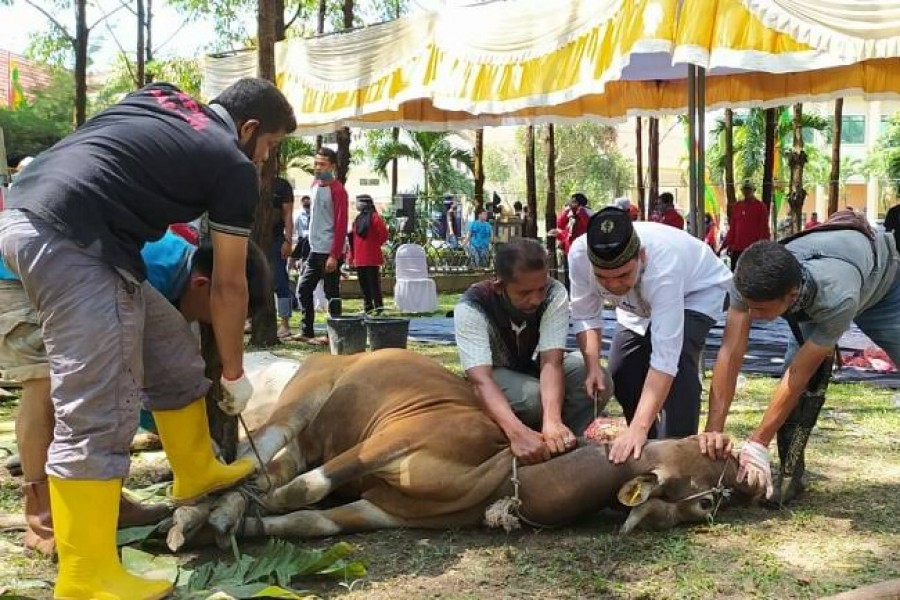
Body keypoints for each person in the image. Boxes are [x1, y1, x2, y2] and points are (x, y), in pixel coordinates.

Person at [0, 78, 295, 600]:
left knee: (171, 353)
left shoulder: (164, 96)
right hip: (70, 239)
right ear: (249, 129)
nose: (265, 159)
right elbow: (229, 285)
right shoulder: (231, 164)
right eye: (269, 145)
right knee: (99, 408)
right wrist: (234, 373)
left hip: (50, 222)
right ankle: (86, 575)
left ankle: (195, 470)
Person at [0, 231, 269, 555]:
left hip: (56, 271)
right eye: (218, 315)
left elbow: (154, 374)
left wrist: (190, 445)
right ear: (202, 285)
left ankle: (112, 501)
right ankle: (42, 520)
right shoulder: (151, 270)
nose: (213, 326)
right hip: (22, 278)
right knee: (45, 386)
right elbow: (131, 378)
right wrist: (179, 439)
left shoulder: (171, 272)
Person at [701, 209, 900, 505]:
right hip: (827, 284)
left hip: (884, 286)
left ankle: (777, 460)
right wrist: (713, 432)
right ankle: (792, 475)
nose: (752, 316)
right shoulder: (750, 282)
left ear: (791, 296)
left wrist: (757, 443)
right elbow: (730, 353)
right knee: (799, 387)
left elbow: (798, 376)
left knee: (802, 379)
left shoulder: (836, 297)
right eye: (749, 306)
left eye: (762, 311)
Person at [569, 207, 732, 464]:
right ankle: (646, 445)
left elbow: (665, 359)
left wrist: (637, 428)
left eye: (622, 274)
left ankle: (676, 453)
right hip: (636, 306)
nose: (613, 285)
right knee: (622, 371)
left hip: (696, 290)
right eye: (603, 278)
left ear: (641, 256)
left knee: (678, 367)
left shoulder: (664, 266)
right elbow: (585, 314)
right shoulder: (578, 255)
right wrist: (592, 366)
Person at [454, 238, 607, 464]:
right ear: (499, 287)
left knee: (591, 375)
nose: (536, 299)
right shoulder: (472, 307)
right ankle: (514, 445)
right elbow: (481, 381)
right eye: (525, 292)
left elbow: (552, 362)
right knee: (533, 398)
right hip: (493, 379)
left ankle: (559, 444)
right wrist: (517, 432)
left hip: (532, 369)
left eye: (541, 288)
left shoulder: (554, 293)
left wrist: (553, 421)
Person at [294, 147, 349, 343]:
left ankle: (333, 334)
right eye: (316, 163)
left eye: (322, 164)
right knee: (304, 288)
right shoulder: (315, 185)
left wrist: (334, 255)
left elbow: (341, 224)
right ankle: (307, 330)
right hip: (314, 248)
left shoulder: (338, 190)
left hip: (330, 249)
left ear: (332, 166)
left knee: (331, 292)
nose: (318, 168)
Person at [350, 194, 389, 314]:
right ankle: (368, 307)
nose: (356, 205)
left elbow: (383, 234)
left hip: (371, 256)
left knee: (374, 284)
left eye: (358, 202)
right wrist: (353, 256)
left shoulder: (375, 217)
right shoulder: (358, 219)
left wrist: (375, 244)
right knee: (364, 285)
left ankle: (378, 307)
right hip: (360, 257)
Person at [720, 180, 770, 271]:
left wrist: (763, 248)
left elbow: (764, 229)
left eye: (749, 189)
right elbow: (733, 229)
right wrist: (726, 245)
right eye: (745, 189)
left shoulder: (760, 207)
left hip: (753, 250)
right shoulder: (737, 206)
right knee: (736, 274)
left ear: (753, 190)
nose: (746, 192)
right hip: (737, 249)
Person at [270, 176, 295, 338]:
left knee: (280, 281)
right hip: (251, 238)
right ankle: (250, 319)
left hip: (276, 239)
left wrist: (288, 240)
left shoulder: (281, 185)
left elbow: (287, 215)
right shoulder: (246, 177)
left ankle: (285, 323)